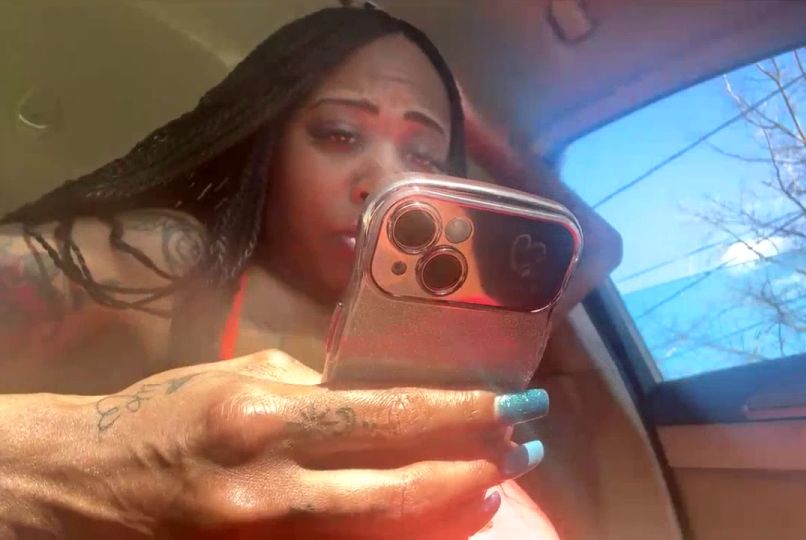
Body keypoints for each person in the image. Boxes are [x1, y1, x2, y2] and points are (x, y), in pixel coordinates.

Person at [0, 6, 621, 539]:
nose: (385, 181)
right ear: (268, 144)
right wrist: (93, 460)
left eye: (424, 156)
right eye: (339, 135)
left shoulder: (458, 323)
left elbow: (592, 248)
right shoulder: (173, 261)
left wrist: (480, 128)